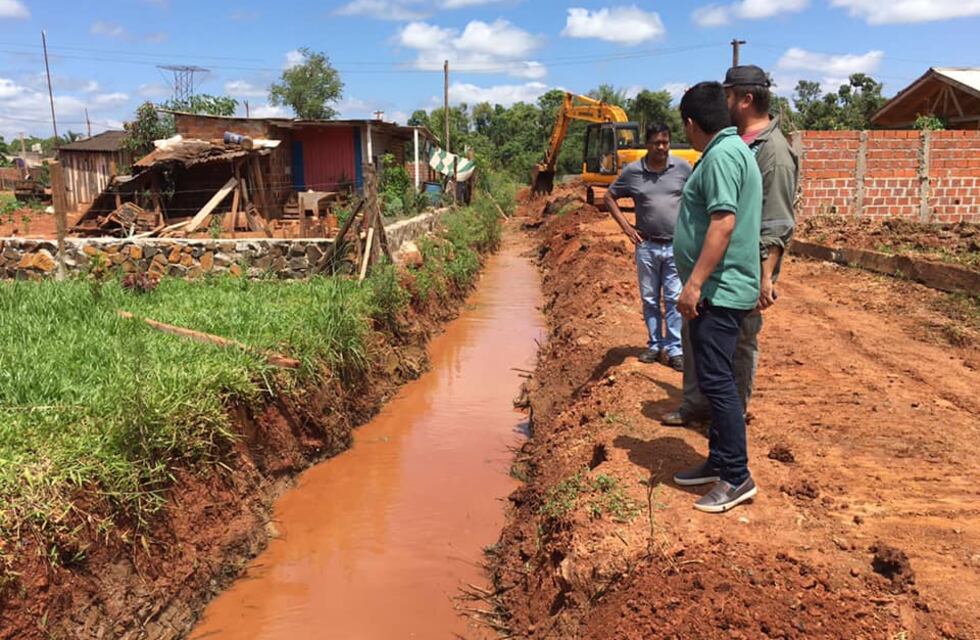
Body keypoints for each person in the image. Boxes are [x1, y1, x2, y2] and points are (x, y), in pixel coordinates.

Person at [662, 65, 798, 427]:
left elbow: (776, 222)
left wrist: (765, 276)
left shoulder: (773, 153)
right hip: (712, 273)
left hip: (739, 274)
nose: (722, 103)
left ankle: (727, 425)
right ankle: (698, 406)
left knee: (736, 349)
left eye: (728, 95)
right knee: (698, 341)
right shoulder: (732, 144)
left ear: (746, 98)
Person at [671, 81, 762, 513]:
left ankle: (736, 476)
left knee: (718, 383)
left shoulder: (723, 156)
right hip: (722, 288)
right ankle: (718, 460)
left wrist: (694, 284)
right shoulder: (732, 150)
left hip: (719, 291)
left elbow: (722, 223)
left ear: (691, 124)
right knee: (714, 377)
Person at [604, 124, 692, 369]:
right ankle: (654, 345)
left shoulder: (683, 168)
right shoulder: (633, 172)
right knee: (650, 298)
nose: (661, 147)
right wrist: (627, 228)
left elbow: (697, 196)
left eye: (665, 142)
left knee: (674, 298)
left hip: (676, 244)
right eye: (656, 143)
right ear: (647, 144)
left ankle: (674, 349)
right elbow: (609, 197)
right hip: (647, 246)